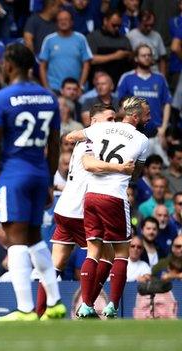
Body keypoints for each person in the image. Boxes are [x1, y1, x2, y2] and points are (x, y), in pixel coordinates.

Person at [0, 43, 65, 321]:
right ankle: (54, 302)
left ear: (9, 65)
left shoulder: (1, 98)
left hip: (14, 175)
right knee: (33, 238)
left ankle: (24, 309)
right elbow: (54, 145)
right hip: (40, 173)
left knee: (15, 241)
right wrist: (49, 181)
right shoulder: (49, 98)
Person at [36, 103, 132, 318]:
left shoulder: (89, 138)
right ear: (94, 121)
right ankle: (86, 307)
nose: (113, 123)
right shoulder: (93, 140)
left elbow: (70, 137)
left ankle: (38, 313)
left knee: (56, 264)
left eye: (115, 119)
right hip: (80, 210)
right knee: (108, 256)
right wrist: (121, 168)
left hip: (64, 210)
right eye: (109, 119)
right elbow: (90, 165)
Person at [67, 96, 150, 318]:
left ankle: (86, 305)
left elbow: (72, 136)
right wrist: (122, 167)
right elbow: (136, 172)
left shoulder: (102, 127)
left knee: (93, 250)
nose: (150, 117)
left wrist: (90, 137)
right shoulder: (142, 140)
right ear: (135, 116)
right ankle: (113, 304)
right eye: (146, 113)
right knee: (122, 252)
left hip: (91, 195)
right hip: (114, 196)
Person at [117, 44, 171, 139]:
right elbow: (120, 105)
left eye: (149, 55)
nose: (147, 57)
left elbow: (167, 103)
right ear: (136, 58)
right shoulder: (127, 78)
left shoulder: (160, 78)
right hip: (133, 132)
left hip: (157, 132)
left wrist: (163, 127)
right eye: (143, 55)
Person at [38, 9, 92, 91]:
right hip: (54, 88)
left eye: (66, 19)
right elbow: (42, 66)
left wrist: (81, 87)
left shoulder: (81, 38)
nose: (63, 22)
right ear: (56, 23)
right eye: (60, 20)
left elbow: (86, 65)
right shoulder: (49, 40)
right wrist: (47, 88)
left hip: (75, 89)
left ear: (72, 22)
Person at [87, 9, 133, 85]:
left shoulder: (124, 40)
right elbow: (91, 60)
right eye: (114, 25)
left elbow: (131, 60)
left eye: (119, 26)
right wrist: (115, 56)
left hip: (120, 83)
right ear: (105, 21)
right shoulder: (93, 37)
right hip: (99, 83)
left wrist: (130, 54)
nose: (117, 28)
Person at [125, 10, 166, 75]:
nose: (149, 28)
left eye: (151, 25)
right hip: (137, 72)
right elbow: (127, 59)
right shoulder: (130, 36)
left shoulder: (157, 35)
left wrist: (163, 76)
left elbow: (162, 59)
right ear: (139, 22)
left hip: (155, 71)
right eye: (146, 25)